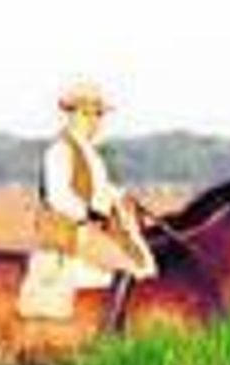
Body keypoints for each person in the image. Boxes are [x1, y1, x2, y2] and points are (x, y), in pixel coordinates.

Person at [35, 82, 158, 333]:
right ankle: (110, 332)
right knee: (131, 268)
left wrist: (121, 196)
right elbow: (59, 196)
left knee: (145, 261)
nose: (96, 121)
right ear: (75, 114)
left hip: (91, 225)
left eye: (98, 115)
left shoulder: (90, 153)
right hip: (68, 228)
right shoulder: (59, 150)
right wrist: (91, 211)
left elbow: (100, 188)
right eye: (91, 114)